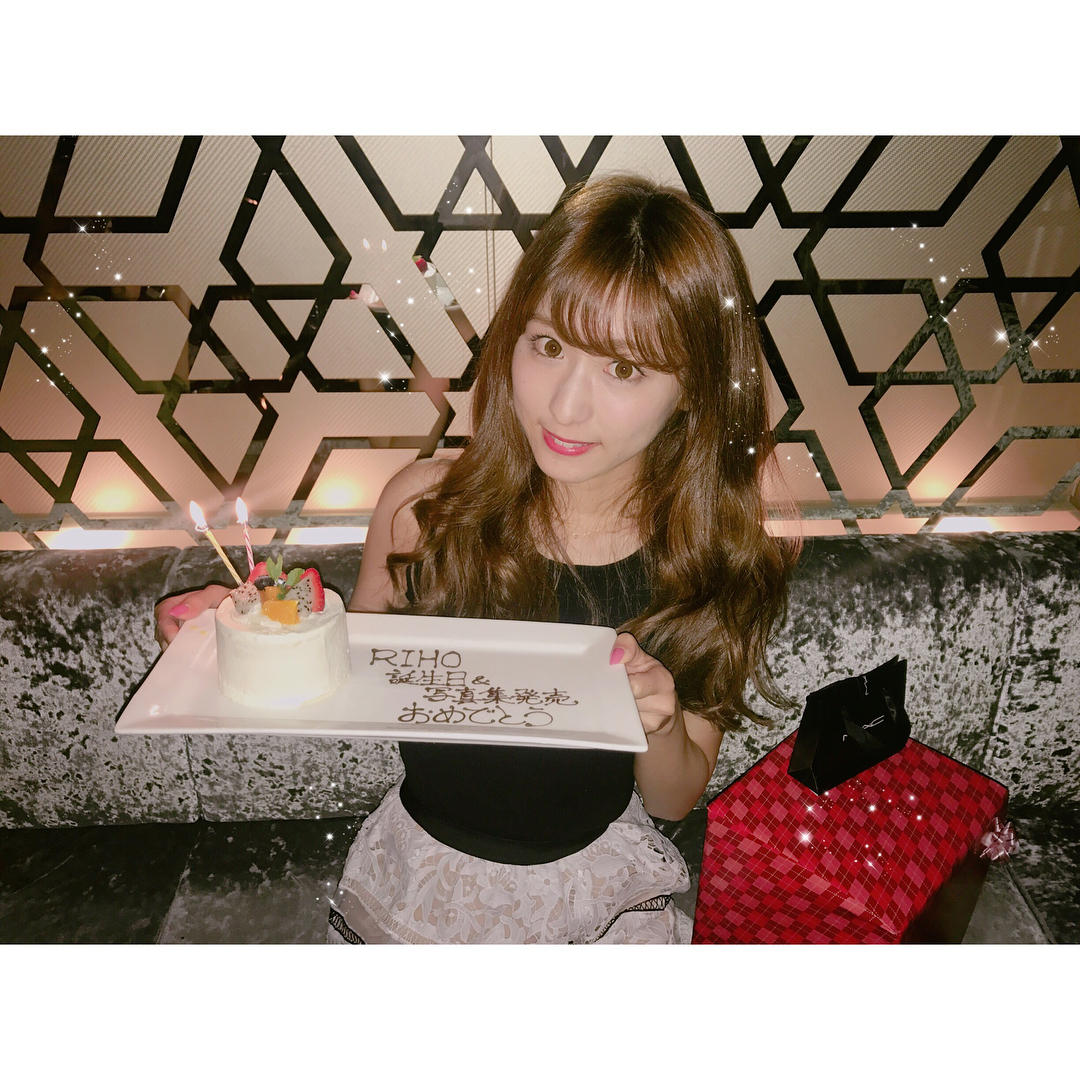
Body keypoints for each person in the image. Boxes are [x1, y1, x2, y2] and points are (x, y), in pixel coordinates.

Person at [155, 174, 799, 944]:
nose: (565, 406)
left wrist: (655, 719)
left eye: (625, 368)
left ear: (692, 388)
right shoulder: (422, 512)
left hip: (590, 887)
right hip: (425, 874)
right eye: (549, 345)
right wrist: (255, 628)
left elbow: (674, 799)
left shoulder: (709, 559)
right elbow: (350, 671)